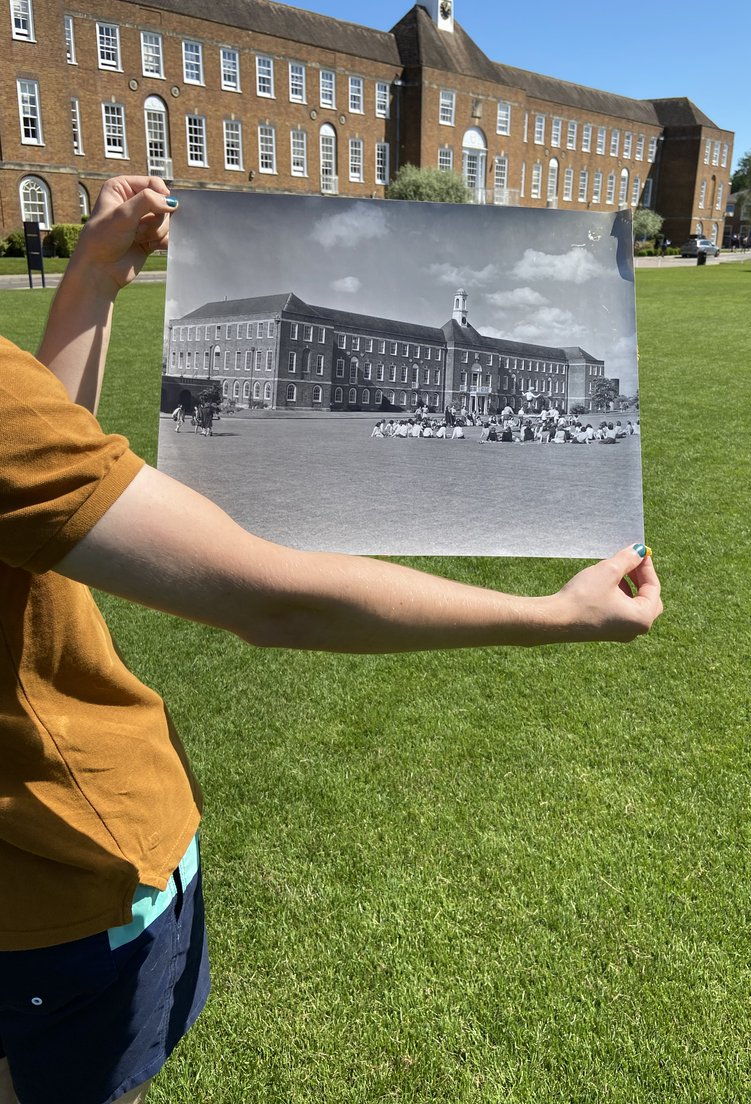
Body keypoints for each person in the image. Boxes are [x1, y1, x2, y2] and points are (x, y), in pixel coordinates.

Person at [0, 176, 662, 1104]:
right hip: (66, 869)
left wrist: (93, 279)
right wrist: (554, 614)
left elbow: (35, 471)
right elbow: (275, 601)